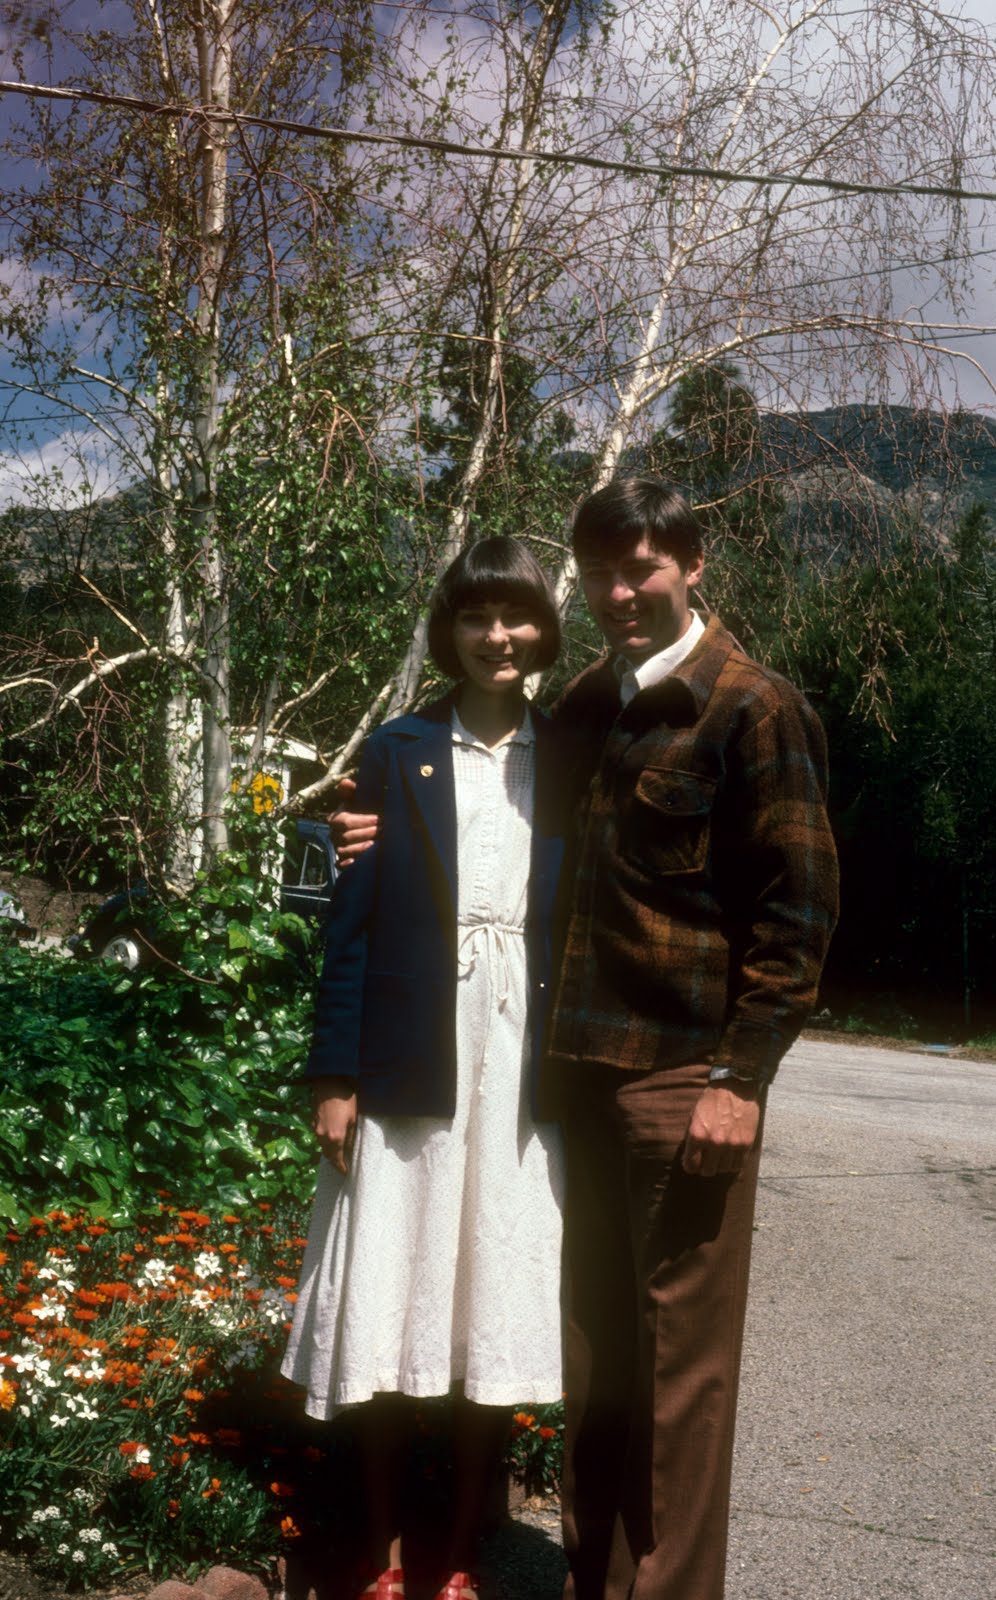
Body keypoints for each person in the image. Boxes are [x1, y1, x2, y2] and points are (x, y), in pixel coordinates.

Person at [332, 479, 839, 1600]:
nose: (620, 591)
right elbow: (471, 813)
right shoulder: (587, 710)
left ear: (692, 566)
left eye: (642, 567)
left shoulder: (752, 708)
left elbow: (798, 917)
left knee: (679, 1379)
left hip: (681, 1083)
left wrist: (739, 1078)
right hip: (570, 1086)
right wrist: (357, 825)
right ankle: (591, 1581)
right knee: (595, 1362)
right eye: (601, 571)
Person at [282, 537, 569, 1600]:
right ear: (449, 629)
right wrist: (333, 1075)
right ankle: (385, 1556)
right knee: (392, 1293)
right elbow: (348, 925)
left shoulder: (572, 751)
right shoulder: (401, 747)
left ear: (546, 626)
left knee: (490, 1298)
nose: (498, 637)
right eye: (476, 616)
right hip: (412, 1051)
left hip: (522, 1067)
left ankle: (457, 1557)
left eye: (518, 615)